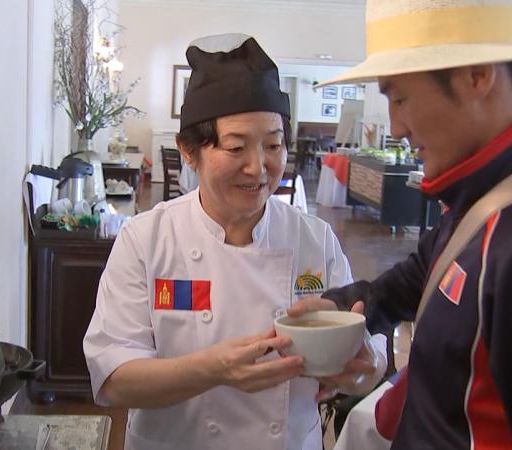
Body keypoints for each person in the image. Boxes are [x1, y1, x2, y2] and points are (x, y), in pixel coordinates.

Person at [289, 0, 512, 448]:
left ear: (477, 75)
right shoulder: (485, 200)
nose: (396, 126)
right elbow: (418, 277)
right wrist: (343, 308)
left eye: (400, 98)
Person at [83, 33, 385, 450]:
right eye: (236, 147)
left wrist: (360, 371)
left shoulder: (314, 239)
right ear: (189, 151)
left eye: (273, 145)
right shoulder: (147, 238)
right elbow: (113, 379)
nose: (258, 168)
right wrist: (215, 370)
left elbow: (366, 357)